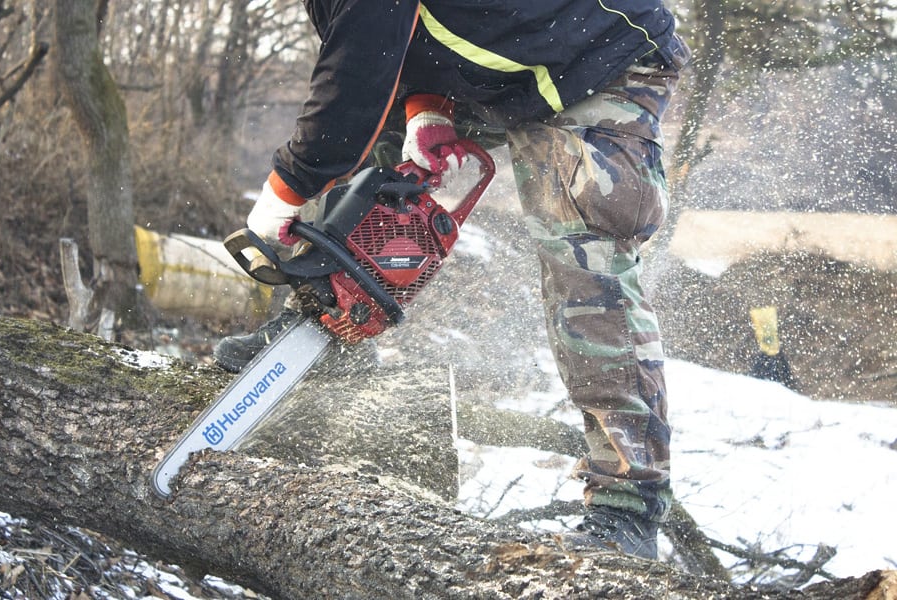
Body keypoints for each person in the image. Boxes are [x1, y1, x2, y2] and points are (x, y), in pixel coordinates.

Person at [214, 0, 689, 561]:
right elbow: (402, 41)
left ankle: (628, 506)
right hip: (511, 63)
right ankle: (330, 322)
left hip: (599, 53)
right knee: (390, 159)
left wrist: (287, 189)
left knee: (582, 255)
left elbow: (354, 79)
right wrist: (427, 110)